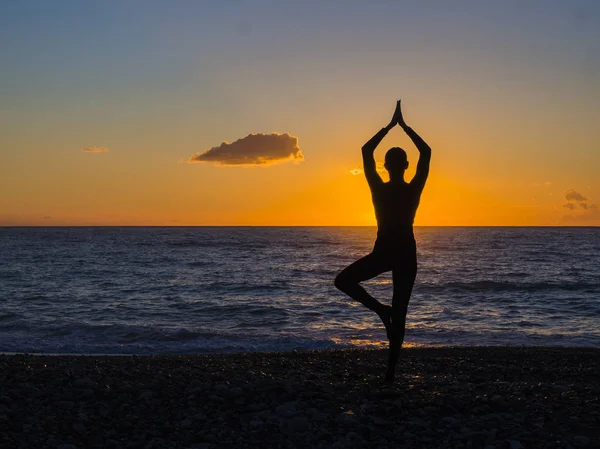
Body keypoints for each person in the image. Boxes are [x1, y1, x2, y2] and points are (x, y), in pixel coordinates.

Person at [334, 100, 431, 382]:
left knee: (344, 281)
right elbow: (426, 152)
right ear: (406, 165)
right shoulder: (414, 187)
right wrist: (405, 127)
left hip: (388, 252)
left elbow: (366, 151)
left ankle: (381, 315)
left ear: (386, 165)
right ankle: (389, 369)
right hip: (403, 254)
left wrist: (389, 127)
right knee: (398, 314)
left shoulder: (378, 187)